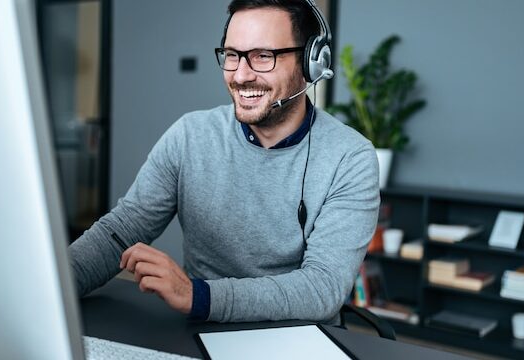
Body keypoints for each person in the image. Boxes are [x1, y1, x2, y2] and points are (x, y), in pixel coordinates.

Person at [69, 0, 380, 323]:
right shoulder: (190, 135)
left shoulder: (350, 158)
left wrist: (199, 296)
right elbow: (120, 230)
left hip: (298, 337)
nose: (241, 75)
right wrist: (53, 285)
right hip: (201, 328)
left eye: (263, 56)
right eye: (232, 55)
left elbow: (322, 288)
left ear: (310, 63)